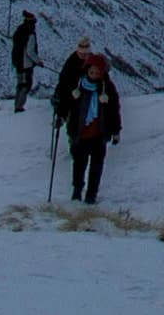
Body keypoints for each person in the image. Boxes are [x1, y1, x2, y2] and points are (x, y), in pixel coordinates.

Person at [51, 39, 121, 205]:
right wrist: (60, 116)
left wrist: (116, 130)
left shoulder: (106, 89)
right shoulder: (79, 87)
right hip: (80, 133)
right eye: (92, 72)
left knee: (96, 166)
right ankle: (77, 191)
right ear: (87, 70)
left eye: (97, 72)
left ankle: (91, 194)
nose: (94, 74)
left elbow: (114, 110)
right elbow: (66, 103)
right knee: (79, 165)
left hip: (99, 134)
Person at [7, 10, 40, 113]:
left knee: (20, 84)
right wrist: (38, 61)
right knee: (26, 85)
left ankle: (17, 104)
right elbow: (30, 51)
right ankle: (19, 107)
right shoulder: (30, 34)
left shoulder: (19, 31)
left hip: (17, 62)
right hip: (26, 64)